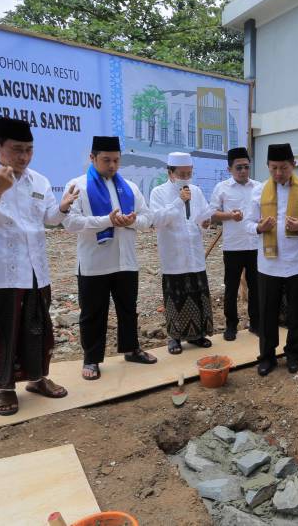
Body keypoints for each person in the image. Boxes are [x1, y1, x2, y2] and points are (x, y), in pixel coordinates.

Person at [0, 117, 78, 416]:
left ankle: (38, 379)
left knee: (38, 329)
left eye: (29, 150)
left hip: (35, 270)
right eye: (17, 149)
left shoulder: (39, 180)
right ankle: (5, 388)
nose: (24, 157)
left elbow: (48, 218)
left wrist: (63, 207)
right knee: (3, 332)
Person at [62, 136, 156, 380]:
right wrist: (107, 221)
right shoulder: (77, 186)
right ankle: (91, 359)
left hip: (126, 261)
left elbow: (147, 218)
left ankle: (131, 349)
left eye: (116, 160)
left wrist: (132, 221)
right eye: (106, 160)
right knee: (93, 313)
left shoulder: (130, 187)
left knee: (128, 309)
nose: (112, 165)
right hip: (95, 263)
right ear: (92, 158)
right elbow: (70, 222)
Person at [244, 143, 298, 376]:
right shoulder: (259, 191)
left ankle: (294, 355)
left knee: (297, 312)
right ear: (268, 166)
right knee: (267, 312)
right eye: (274, 168)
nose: (278, 173)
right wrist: (259, 228)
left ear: (293, 165)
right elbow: (247, 223)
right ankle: (267, 356)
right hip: (269, 264)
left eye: (284, 168)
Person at [149, 152, 214, 354]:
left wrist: (205, 224)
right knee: (175, 297)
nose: (186, 178)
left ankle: (198, 335)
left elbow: (202, 216)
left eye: (189, 173)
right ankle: (175, 338)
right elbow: (157, 220)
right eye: (182, 174)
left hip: (194, 253)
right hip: (173, 255)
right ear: (170, 173)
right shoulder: (158, 192)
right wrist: (178, 201)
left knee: (197, 294)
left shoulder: (197, 191)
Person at [210, 147, 261, 341]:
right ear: (229, 169)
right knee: (231, 287)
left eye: (246, 167)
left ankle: (256, 322)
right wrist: (230, 215)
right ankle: (231, 325)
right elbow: (212, 213)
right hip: (233, 246)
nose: (243, 171)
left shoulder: (258, 187)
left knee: (256, 287)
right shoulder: (222, 188)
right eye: (238, 167)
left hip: (255, 245)